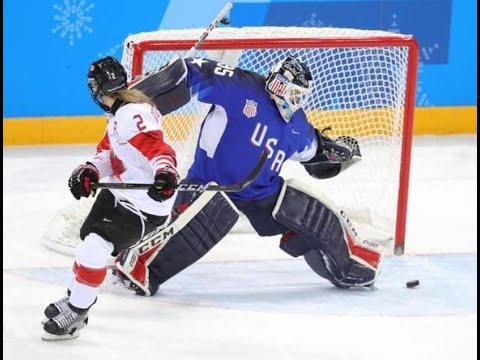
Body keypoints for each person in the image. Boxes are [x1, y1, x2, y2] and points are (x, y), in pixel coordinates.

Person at [113, 54, 383, 297]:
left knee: (309, 212)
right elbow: (190, 70)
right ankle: (136, 265)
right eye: (286, 89)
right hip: (209, 185)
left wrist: (337, 154)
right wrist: (139, 96)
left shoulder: (298, 125)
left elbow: (315, 157)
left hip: (262, 194)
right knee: (199, 221)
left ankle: (351, 264)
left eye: (298, 95)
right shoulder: (240, 87)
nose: (290, 99)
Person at [41, 56, 180, 340]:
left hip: (144, 206)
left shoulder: (132, 114)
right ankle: (75, 297)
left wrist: (166, 173)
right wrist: (90, 170)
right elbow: (107, 153)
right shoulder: (119, 113)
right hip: (120, 193)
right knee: (87, 242)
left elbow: (159, 149)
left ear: (95, 89)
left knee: (95, 247)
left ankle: (77, 312)